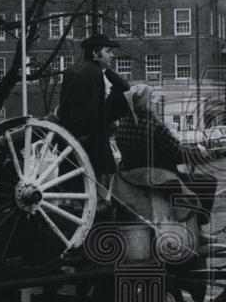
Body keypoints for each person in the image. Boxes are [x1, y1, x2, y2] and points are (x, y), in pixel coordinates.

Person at [113, 84, 217, 226]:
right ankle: (199, 227)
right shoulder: (155, 125)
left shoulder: (122, 125)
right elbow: (176, 154)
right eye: (152, 99)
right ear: (145, 103)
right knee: (208, 182)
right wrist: (199, 153)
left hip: (132, 174)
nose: (155, 102)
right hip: (159, 177)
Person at [57, 34, 131, 179]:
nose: (112, 55)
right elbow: (86, 111)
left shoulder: (84, 69)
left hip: (79, 139)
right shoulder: (90, 72)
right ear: (96, 53)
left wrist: (107, 70)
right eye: (108, 51)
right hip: (90, 143)